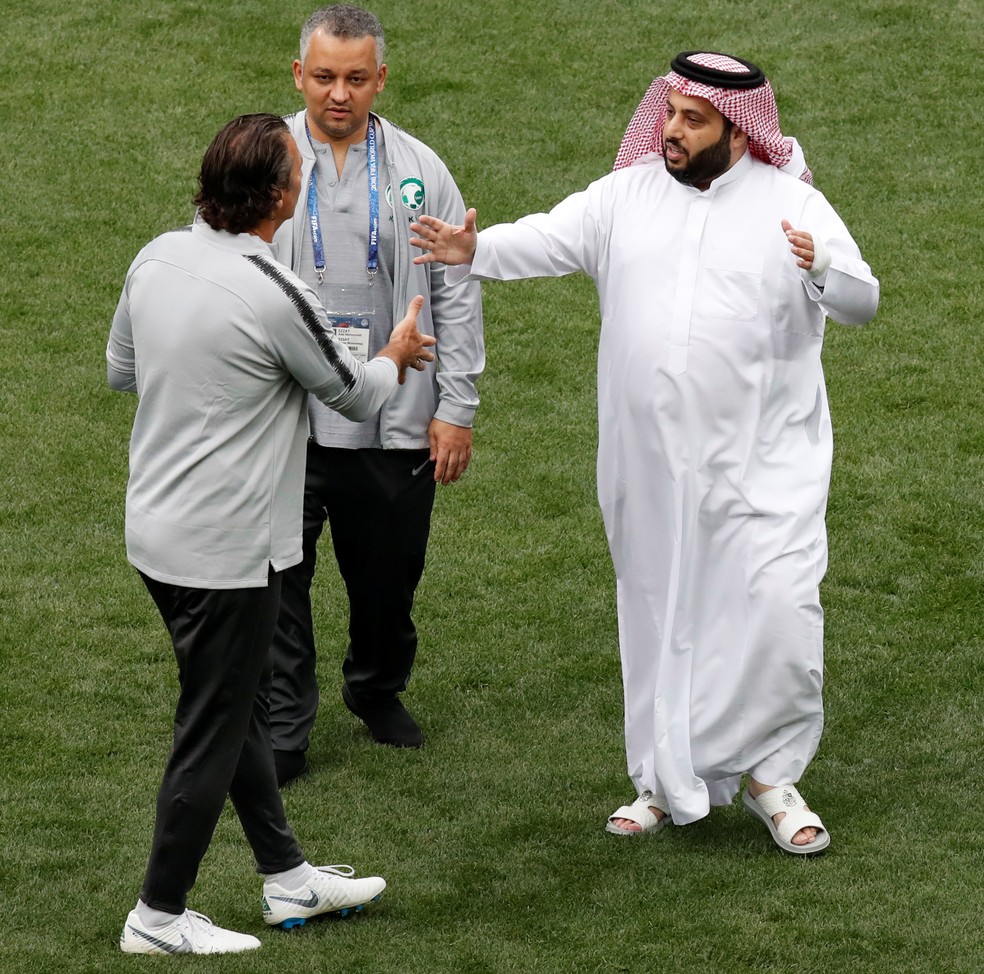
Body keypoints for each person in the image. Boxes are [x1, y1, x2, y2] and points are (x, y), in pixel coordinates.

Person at [411, 52, 879, 854]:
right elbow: (548, 240)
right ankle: (660, 780)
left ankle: (773, 779)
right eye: (668, 113)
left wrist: (823, 266)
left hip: (766, 468)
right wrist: (471, 251)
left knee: (778, 614)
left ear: (740, 130)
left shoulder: (793, 206)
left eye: (692, 120)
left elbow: (864, 301)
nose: (670, 129)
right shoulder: (625, 196)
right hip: (647, 468)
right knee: (659, 615)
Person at [107, 113, 435, 954]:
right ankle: (158, 916)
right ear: (282, 197)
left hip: (156, 533)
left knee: (234, 703)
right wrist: (397, 350)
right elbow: (358, 395)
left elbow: (124, 370)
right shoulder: (271, 287)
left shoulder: (154, 256)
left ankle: (288, 880)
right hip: (230, 552)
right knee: (213, 726)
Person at [268, 4, 485, 783]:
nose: (338, 94)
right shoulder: (266, 161)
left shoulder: (420, 168)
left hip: (394, 417)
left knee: (389, 580)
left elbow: (456, 288)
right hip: (286, 420)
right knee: (276, 579)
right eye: (324, 76)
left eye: (355, 78)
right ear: (299, 74)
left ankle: (376, 687)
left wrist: (456, 408)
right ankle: (286, 723)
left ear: (380, 79)